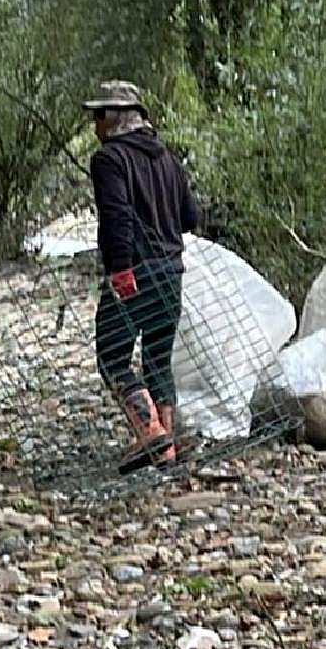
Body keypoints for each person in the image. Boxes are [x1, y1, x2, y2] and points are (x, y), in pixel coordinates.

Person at [83, 80, 200, 473]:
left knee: (112, 355)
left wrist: (120, 270)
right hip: (172, 270)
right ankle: (167, 444)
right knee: (157, 358)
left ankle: (150, 433)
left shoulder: (108, 160)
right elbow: (190, 218)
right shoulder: (168, 158)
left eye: (98, 116)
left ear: (114, 118)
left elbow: (116, 217)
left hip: (135, 271)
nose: (95, 126)